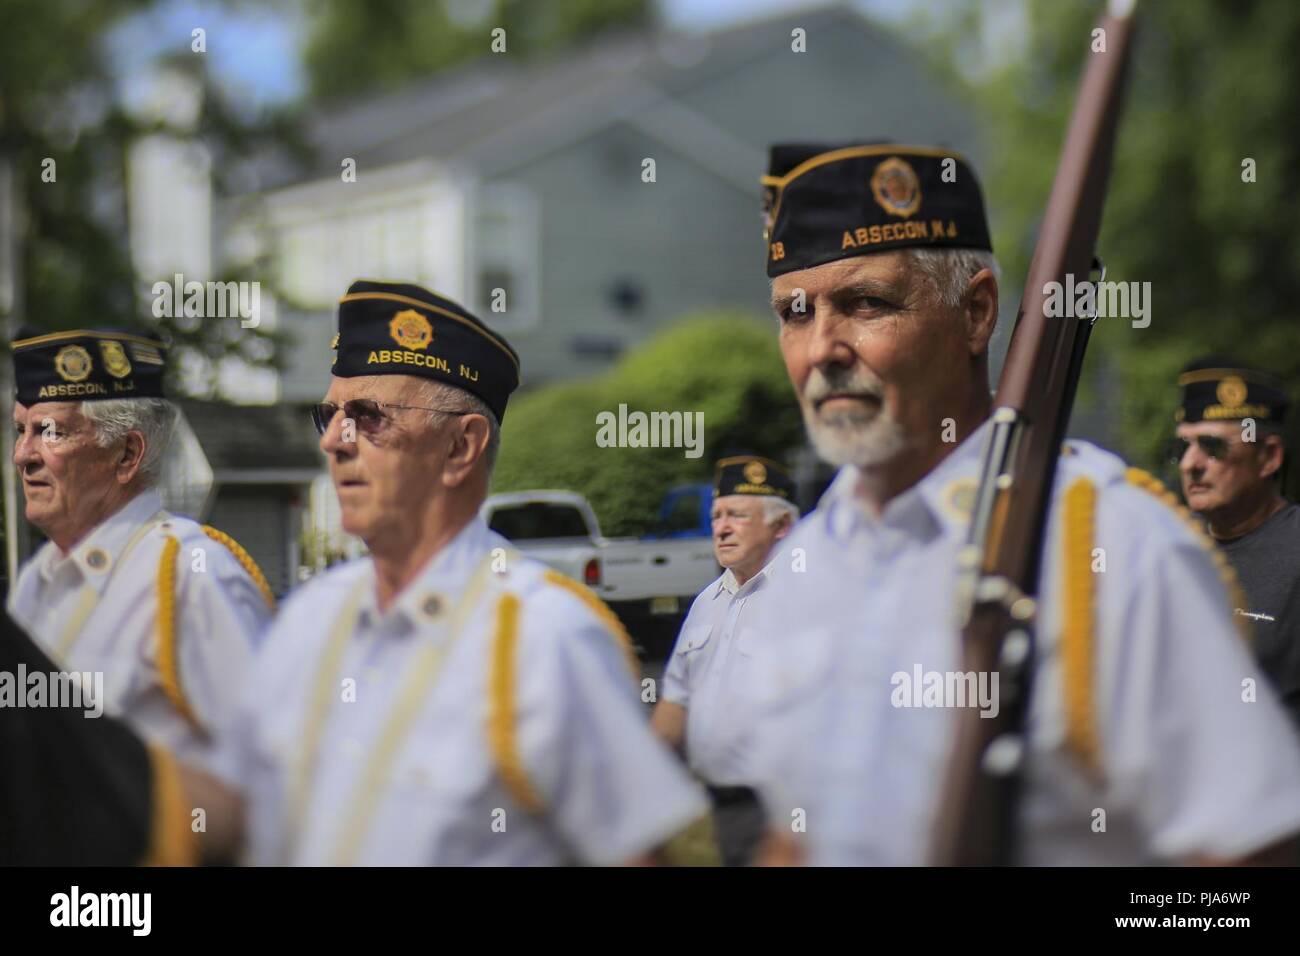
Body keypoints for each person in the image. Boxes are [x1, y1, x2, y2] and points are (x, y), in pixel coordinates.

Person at [747, 142, 1300, 865]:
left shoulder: (1115, 543)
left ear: (976, 315)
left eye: (866, 303)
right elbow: (800, 834)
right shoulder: (804, 562)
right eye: (794, 312)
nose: (822, 348)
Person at [215, 280, 706, 865]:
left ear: (459, 449)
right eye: (329, 413)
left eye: (367, 416)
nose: (331, 441)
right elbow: (231, 810)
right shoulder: (309, 617)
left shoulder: (545, 638)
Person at [7, 329, 274, 768]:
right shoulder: (38, 578)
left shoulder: (190, 575)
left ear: (127, 454)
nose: (23, 455)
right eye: (21, 430)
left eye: (49, 432)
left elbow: (270, 774)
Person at [651, 455, 798, 866]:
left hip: (780, 814)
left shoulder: (810, 598)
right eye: (716, 515)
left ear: (781, 526)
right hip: (707, 808)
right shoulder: (705, 602)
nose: (722, 527)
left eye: (737, 515)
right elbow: (675, 702)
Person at [1173, 358, 1300, 730]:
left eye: (1212, 447)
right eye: (1183, 446)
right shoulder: (1171, 546)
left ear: (1269, 456)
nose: (1190, 464)